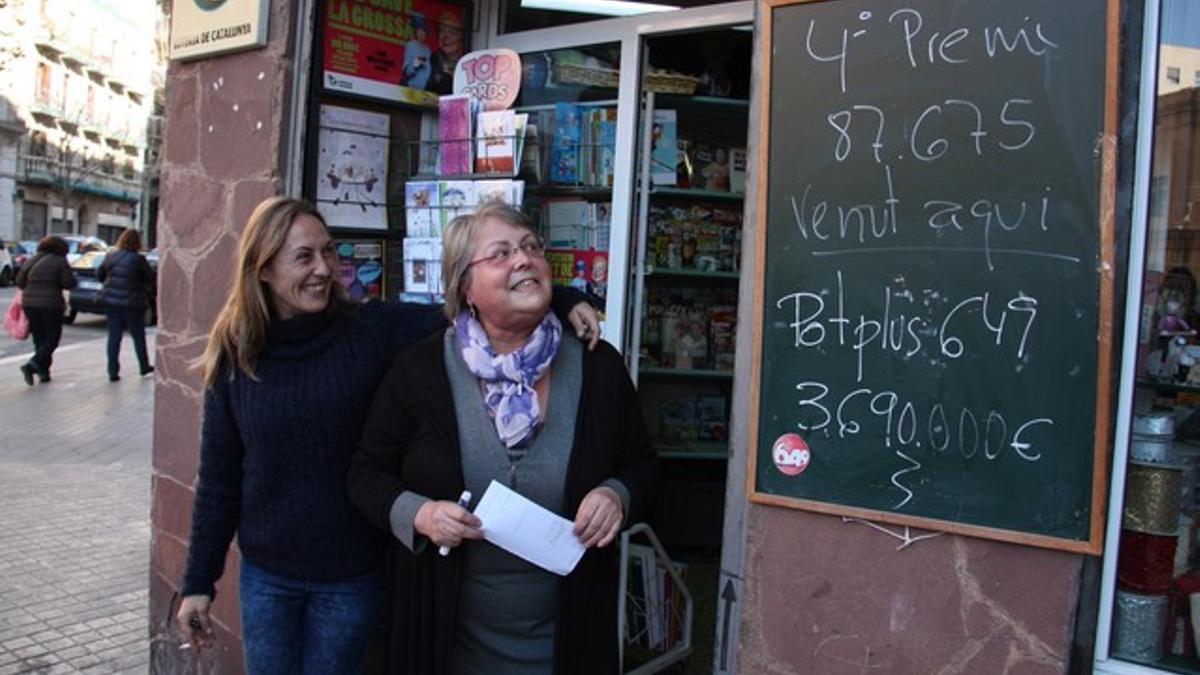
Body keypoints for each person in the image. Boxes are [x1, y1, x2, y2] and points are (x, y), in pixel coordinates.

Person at [175, 197, 598, 673]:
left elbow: (472, 305)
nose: (323, 269)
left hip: (351, 574)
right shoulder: (238, 357)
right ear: (264, 269)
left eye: (329, 252)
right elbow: (218, 480)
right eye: (304, 257)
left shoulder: (368, 329)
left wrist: (559, 298)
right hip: (269, 576)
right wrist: (199, 583)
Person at [348, 203, 658, 674]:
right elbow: (365, 475)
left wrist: (617, 494)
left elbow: (644, 464)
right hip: (446, 647)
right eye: (500, 253)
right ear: (465, 287)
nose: (523, 259)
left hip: (568, 646)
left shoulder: (598, 367)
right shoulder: (418, 371)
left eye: (531, 247)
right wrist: (422, 514)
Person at [15, 235, 76, 386]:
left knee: (39, 338)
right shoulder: (60, 262)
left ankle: (44, 372)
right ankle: (32, 365)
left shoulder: (31, 260)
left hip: (29, 304)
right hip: (51, 304)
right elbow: (69, 283)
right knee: (52, 339)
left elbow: (19, 282)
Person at [98, 229, 155, 381]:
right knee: (138, 335)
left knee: (114, 336)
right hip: (132, 301)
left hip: (111, 301)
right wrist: (146, 292)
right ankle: (144, 366)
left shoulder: (111, 256)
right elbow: (150, 279)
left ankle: (112, 371)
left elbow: (100, 275)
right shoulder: (138, 259)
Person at [427, 10, 464, 95]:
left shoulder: (467, 62)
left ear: (461, 37)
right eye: (442, 31)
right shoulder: (433, 59)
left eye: (452, 32)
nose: (446, 37)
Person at [403, 13, 432, 90]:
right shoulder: (411, 45)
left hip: (425, 90)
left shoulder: (428, 50)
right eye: (420, 30)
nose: (422, 33)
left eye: (424, 30)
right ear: (415, 30)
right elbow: (406, 71)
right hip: (412, 89)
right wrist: (415, 66)